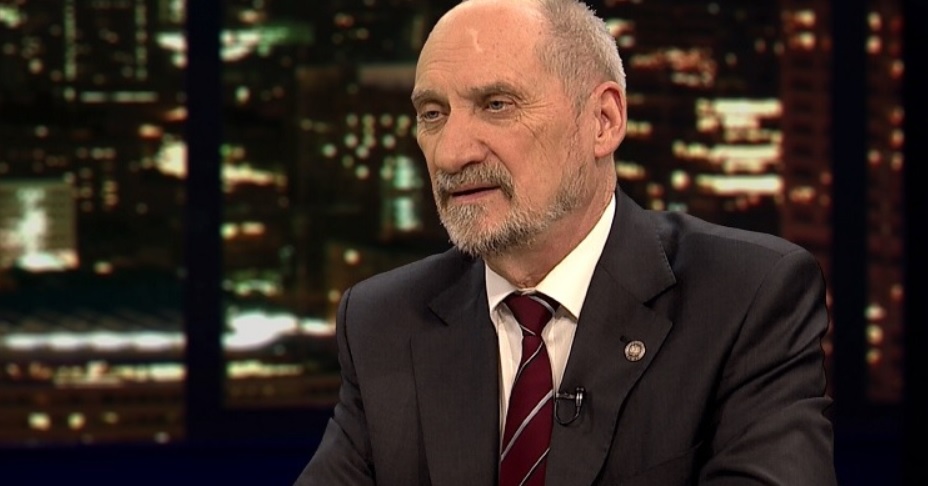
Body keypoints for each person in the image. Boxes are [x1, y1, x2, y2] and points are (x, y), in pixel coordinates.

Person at [295, 0, 836, 484]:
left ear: (603, 120)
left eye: (497, 104)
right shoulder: (383, 321)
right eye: (433, 115)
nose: (452, 153)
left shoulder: (746, 298)